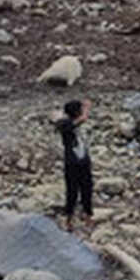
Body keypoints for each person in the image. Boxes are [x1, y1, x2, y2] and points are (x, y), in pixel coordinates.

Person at [57, 98, 93, 231]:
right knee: (72, 191)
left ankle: (87, 215)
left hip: (83, 161)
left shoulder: (74, 124)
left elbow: (81, 120)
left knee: (87, 189)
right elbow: (82, 119)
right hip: (72, 164)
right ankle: (69, 219)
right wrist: (86, 109)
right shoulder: (64, 124)